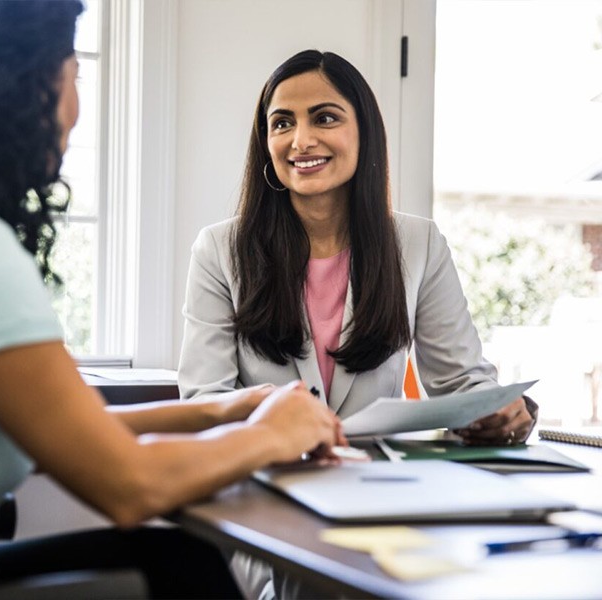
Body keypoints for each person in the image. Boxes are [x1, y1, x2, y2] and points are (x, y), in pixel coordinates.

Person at [0, 5, 348, 599]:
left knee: (176, 560)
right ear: (20, 87)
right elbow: (129, 486)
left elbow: (59, 427)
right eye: (73, 76)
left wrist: (216, 413)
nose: (76, 109)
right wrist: (272, 433)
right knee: (180, 569)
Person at [176, 49, 538, 599]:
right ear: (264, 142)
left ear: (363, 131)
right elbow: (204, 403)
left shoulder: (417, 244)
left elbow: (463, 384)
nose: (300, 140)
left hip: (385, 507)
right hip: (268, 508)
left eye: (324, 117)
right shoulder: (220, 250)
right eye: (282, 123)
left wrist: (498, 412)